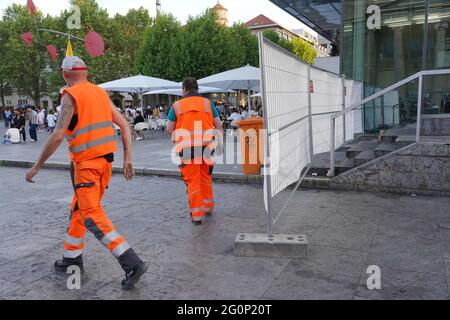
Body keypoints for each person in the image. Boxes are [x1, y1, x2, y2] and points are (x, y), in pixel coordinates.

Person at [25, 56, 148, 290]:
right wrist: (128, 158)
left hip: (87, 167)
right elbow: (123, 125)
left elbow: (58, 134)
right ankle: (72, 257)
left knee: (91, 215)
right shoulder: (100, 93)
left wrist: (36, 166)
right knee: (78, 210)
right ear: (86, 72)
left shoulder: (71, 96)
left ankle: (132, 262)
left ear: (64, 74)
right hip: (104, 165)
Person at [167, 77, 223, 225]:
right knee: (205, 177)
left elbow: (169, 128)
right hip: (206, 147)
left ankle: (197, 215)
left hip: (186, 149)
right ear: (197, 89)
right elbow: (218, 125)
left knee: (193, 181)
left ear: (184, 89)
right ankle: (208, 207)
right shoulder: (207, 103)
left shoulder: (177, 105)